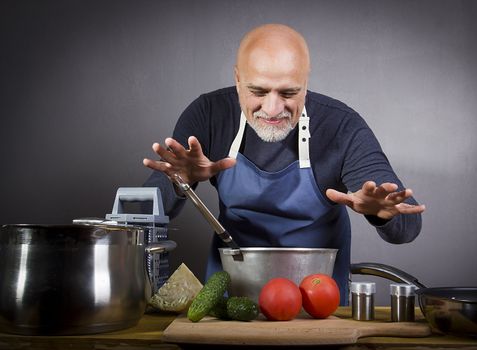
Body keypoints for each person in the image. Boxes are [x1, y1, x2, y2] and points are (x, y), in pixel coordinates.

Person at [143, 23, 425, 304]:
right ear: (237, 79)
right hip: (230, 300)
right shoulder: (208, 115)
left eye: (289, 93)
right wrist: (179, 182)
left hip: (320, 303)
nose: (273, 109)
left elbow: (408, 226)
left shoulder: (342, 127)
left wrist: (382, 213)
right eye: (258, 91)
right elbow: (148, 214)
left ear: (306, 82)